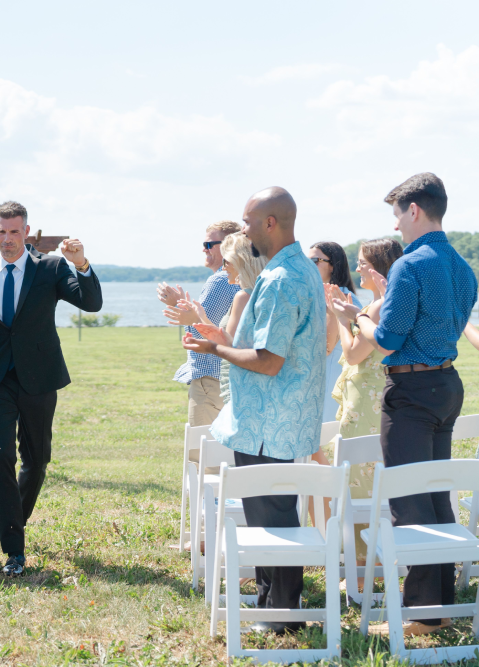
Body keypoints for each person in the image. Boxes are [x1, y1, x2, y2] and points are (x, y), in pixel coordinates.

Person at [332, 172, 476, 636]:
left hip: (411, 390)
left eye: (397, 215)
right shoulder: (463, 267)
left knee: (410, 500)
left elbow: (389, 340)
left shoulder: (409, 265)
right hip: (447, 384)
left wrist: (356, 316)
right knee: (435, 495)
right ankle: (439, 606)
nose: (395, 226)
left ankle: (423, 614)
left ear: (414, 210)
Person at [184, 186, 327, 635]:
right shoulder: (298, 268)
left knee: (273, 520)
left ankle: (281, 615)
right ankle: (271, 603)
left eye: (247, 222)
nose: (243, 231)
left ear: (270, 223)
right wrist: (224, 339)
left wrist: (216, 349)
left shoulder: (281, 278)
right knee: (271, 515)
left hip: (270, 422)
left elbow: (268, 360)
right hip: (274, 419)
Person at [0, 201, 104, 576]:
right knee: (0, 455)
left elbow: (91, 303)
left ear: (26, 232)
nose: (7, 239)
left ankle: (13, 521)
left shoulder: (51, 267)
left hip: (39, 377)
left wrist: (81, 264)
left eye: (14, 231)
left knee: (36, 460)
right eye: (1, 231)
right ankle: (14, 551)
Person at [326, 238, 403, 588]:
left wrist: (342, 319)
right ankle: (373, 559)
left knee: (358, 476)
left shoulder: (377, 307)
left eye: (362, 263)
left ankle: (362, 568)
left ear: (378, 268)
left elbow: (353, 354)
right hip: (375, 397)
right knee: (368, 475)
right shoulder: (386, 302)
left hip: (365, 402)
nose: (357, 268)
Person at [159, 221, 241, 428]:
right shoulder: (243, 280)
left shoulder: (220, 281)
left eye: (209, 244)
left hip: (210, 380)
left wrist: (178, 306)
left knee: (201, 446)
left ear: (228, 246)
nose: (204, 249)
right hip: (231, 379)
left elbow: (201, 333)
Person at [187, 232, 268, 407]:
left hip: (237, 381)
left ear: (242, 262)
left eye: (226, 261)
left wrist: (205, 344)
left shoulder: (243, 296)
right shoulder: (261, 293)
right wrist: (202, 317)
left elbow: (228, 345)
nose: (223, 268)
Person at [307, 241, 361, 423]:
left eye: (315, 261)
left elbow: (327, 346)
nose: (308, 266)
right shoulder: (319, 296)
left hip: (330, 382)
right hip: (318, 382)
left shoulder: (341, 299)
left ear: (333, 265)